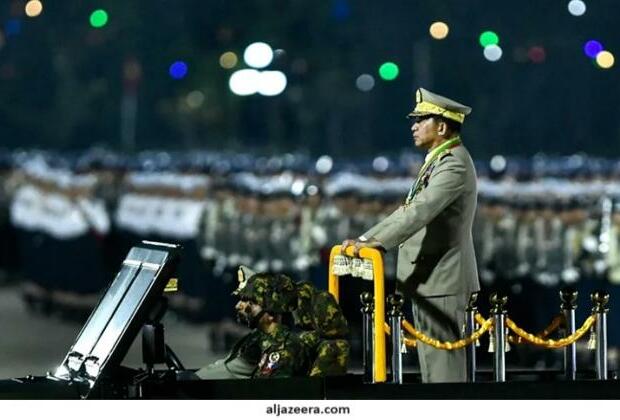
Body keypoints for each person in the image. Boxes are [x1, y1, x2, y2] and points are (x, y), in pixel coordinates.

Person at [341, 87, 480, 383]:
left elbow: (420, 211)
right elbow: (408, 209)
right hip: (431, 278)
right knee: (432, 369)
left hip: (443, 278)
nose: (413, 126)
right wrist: (366, 242)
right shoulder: (439, 159)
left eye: (421, 120)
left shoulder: (453, 163)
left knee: (445, 374)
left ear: (441, 126)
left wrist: (375, 242)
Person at [195, 269, 309, 379]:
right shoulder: (257, 336)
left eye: (251, 302)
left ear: (271, 313)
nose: (239, 306)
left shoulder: (279, 349)